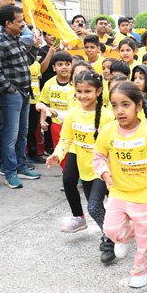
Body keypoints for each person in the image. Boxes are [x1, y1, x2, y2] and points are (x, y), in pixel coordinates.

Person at [93, 81, 147, 288]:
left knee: (145, 240)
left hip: (146, 197)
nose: (119, 111)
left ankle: (142, 270)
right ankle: (126, 236)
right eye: (114, 105)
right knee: (110, 230)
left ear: (138, 106)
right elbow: (98, 155)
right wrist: (104, 172)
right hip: (119, 193)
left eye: (125, 104)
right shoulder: (108, 131)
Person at [46, 71, 114, 262]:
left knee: (94, 206)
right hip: (84, 168)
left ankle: (109, 239)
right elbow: (66, 139)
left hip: (104, 169)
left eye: (88, 91)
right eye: (79, 91)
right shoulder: (73, 114)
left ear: (98, 91)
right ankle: (111, 232)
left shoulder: (108, 117)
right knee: (97, 206)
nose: (83, 96)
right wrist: (57, 155)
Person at [0, 5, 40, 189]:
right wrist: (10, 89)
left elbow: (26, 62)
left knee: (22, 133)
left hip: (25, 92)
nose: (23, 24)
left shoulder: (17, 39)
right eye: (19, 21)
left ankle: (21, 166)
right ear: (8, 23)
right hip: (12, 95)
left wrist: (35, 48)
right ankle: (10, 172)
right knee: (10, 135)